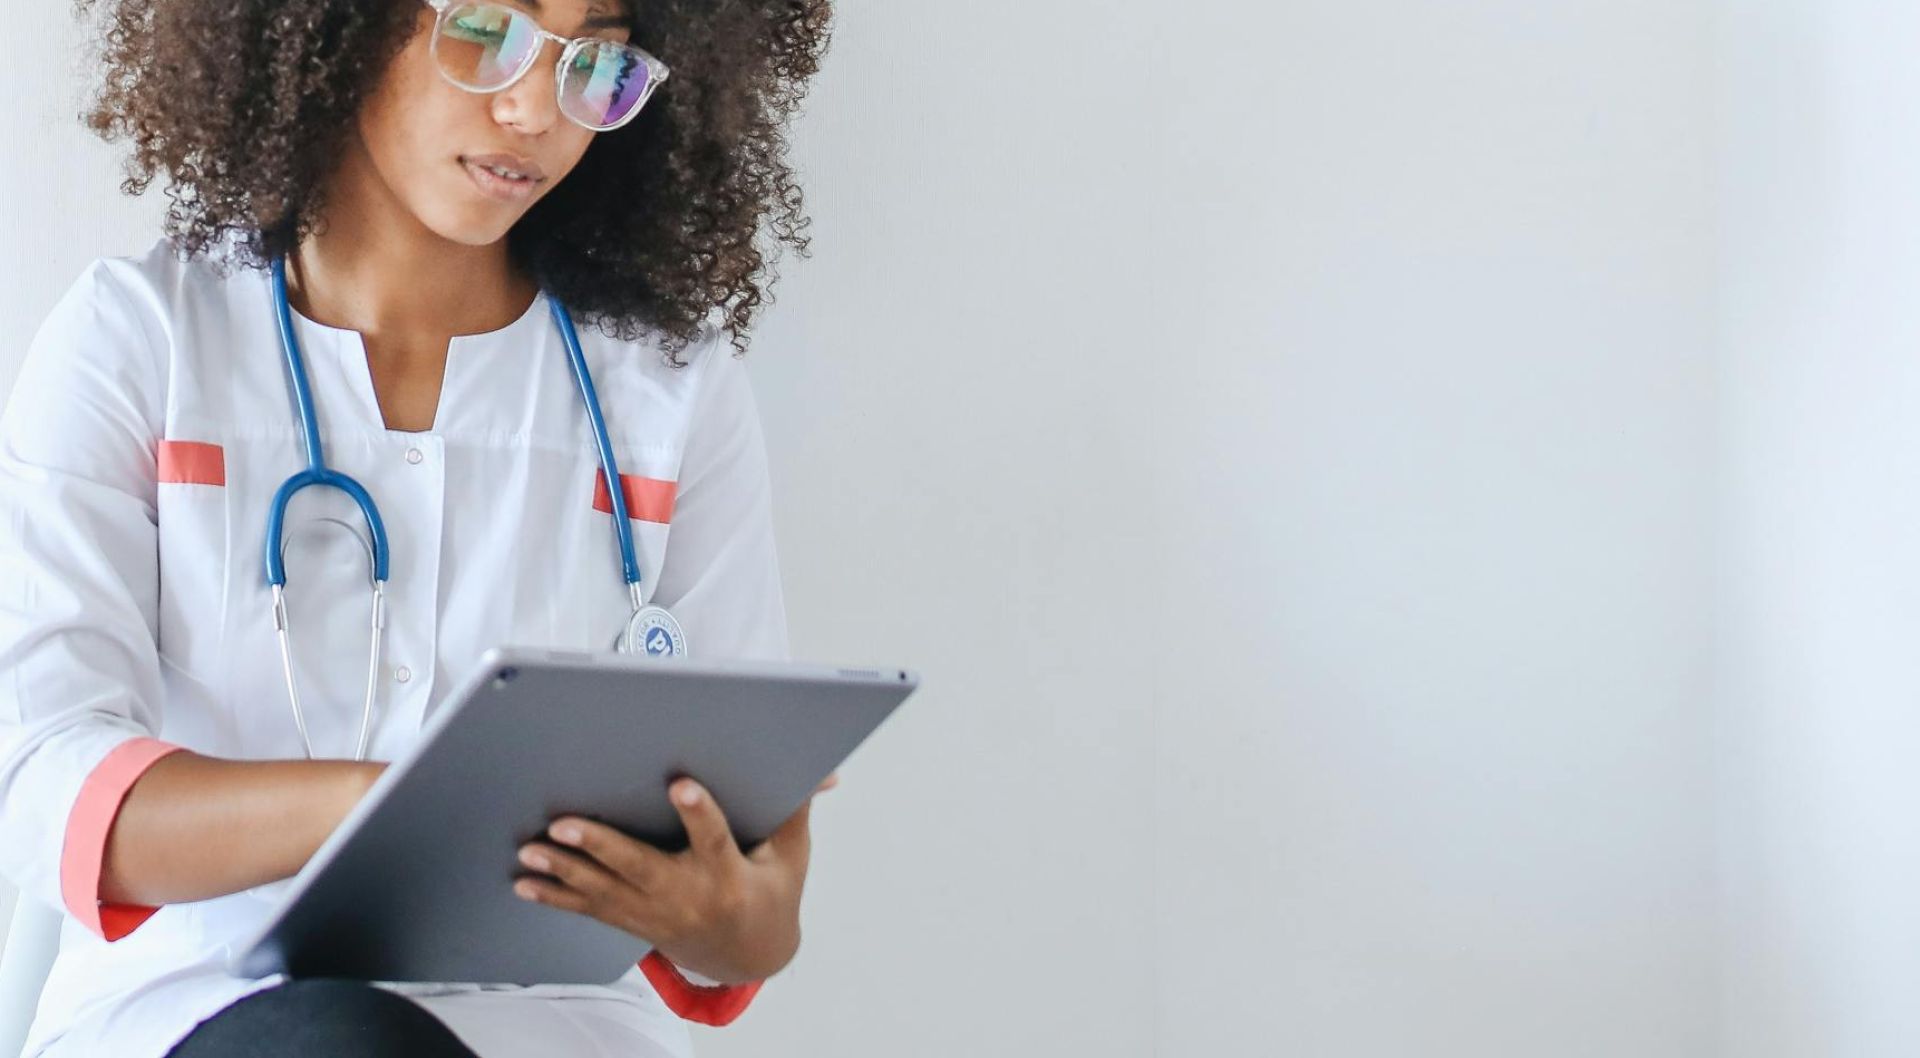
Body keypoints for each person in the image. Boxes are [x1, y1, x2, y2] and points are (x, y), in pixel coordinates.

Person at [0, 0, 835, 1054]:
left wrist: (724, 918)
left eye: (598, 62)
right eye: (487, 33)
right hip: (202, 1009)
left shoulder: (673, 391)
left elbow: (757, 910)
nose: (538, 109)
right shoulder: (138, 344)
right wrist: (401, 805)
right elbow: (41, 782)